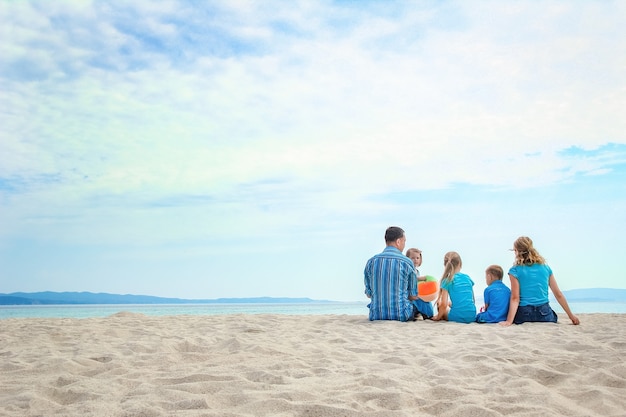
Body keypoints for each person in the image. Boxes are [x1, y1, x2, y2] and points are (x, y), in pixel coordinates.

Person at [500, 236, 580, 326]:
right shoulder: (546, 268)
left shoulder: (514, 270)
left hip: (524, 314)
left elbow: (515, 298)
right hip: (544, 313)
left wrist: (509, 321)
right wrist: (571, 316)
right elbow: (558, 294)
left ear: (517, 251)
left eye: (514, 250)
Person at [364, 227, 418, 321]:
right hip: (402, 315)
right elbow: (413, 295)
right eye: (404, 241)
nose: (404, 244)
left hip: (376, 315)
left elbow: (369, 294)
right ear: (398, 241)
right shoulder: (407, 262)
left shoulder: (371, 262)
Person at [433, 251, 476, 323]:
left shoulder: (447, 280)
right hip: (472, 316)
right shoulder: (467, 278)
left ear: (445, 265)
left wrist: (438, 317)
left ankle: (440, 315)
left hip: (456, 317)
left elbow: (443, 304)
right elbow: (473, 300)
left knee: (439, 304)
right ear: (460, 263)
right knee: (451, 303)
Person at [406, 248, 434, 319]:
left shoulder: (417, 271)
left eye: (417, 258)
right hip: (410, 295)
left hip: (416, 293)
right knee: (421, 302)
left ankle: (426, 314)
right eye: (413, 258)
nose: (415, 260)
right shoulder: (408, 270)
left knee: (426, 300)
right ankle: (426, 315)